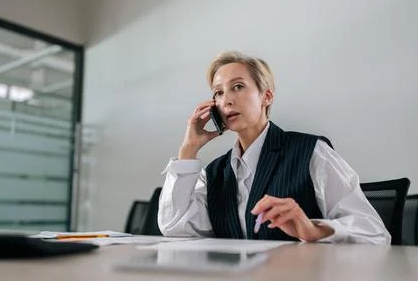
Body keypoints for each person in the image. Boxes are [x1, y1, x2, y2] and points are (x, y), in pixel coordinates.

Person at [158, 51, 390, 244]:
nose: (226, 100)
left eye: (237, 86)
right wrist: (189, 149)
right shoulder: (215, 173)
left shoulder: (310, 152)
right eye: (218, 92)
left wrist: (314, 229)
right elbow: (175, 228)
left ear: (266, 97)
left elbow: (374, 232)